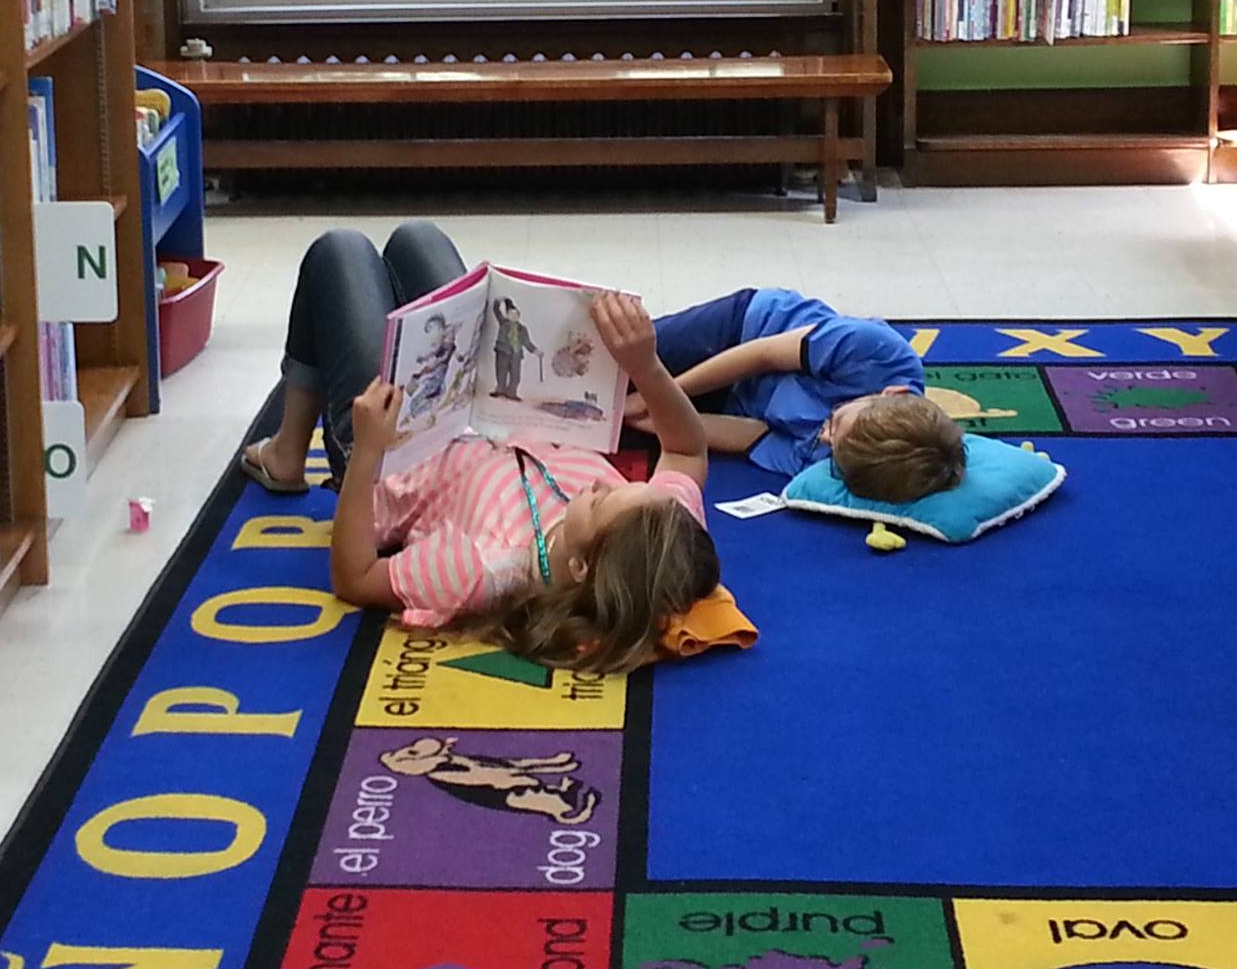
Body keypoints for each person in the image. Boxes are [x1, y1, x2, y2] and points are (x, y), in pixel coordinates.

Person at [240, 224, 719, 674]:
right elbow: (684, 454)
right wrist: (644, 366)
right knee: (417, 239)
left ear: (579, 565)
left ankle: (288, 452)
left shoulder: (478, 571)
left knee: (340, 252)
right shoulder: (662, 531)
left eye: (598, 500)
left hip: (390, 448)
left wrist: (365, 450)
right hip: (482, 399)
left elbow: (356, 578)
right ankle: (288, 450)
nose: (600, 482)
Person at [629, 287, 966, 501]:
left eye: (835, 449)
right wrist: (653, 390)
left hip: (738, 405)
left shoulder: (848, 457)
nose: (825, 438)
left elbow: (748, 436)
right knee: (609, 360)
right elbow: (762, 355)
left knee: (609, 425)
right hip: (744, 334)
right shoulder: (877, 352)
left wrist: (644, 415)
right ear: (892, 393)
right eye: (838, 421)